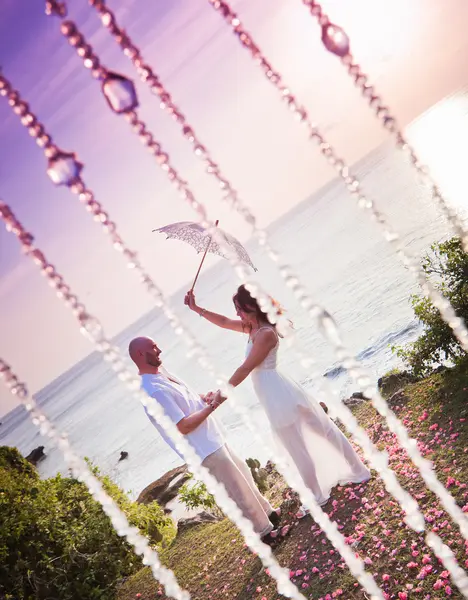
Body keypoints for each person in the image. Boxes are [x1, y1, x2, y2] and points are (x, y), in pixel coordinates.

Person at [184, 286, 371, 517]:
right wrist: (195, 308)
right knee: (317, 432)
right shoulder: (252, 327)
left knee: (306, 440)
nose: (237, 314)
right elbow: (223, 321)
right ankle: (347, 475)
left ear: (252, 307)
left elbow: (245, 368)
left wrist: (220, 397)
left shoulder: (265, 334)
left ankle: (323, 492)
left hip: (277, 394)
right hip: (276, 390)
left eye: (240, 309)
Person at [128, 336, 282, 543]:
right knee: (237, 491)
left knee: (243, 474)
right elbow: (182, 426)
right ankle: (264, 534)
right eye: (153, 347)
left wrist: (203, 398)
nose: (159, 350)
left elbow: (184, 401)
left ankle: (269, 513)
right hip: (203, 448)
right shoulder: (153, 391)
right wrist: (213, 405)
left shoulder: (162, 375)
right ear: (140, 355)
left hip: (212, 438)